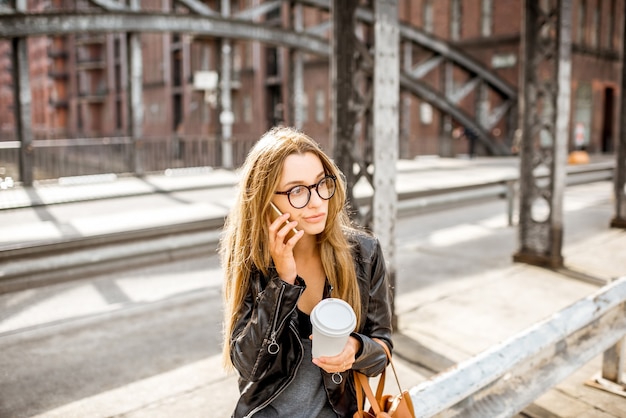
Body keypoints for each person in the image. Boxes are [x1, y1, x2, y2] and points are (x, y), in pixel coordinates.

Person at [220, 126, 393, 418]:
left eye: (321, 183)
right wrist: (283, 282)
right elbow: (249, 366)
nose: (316, 201)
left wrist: (356, 348)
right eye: (297, 190)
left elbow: (382, 349)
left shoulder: (364, 254)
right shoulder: (254, 263)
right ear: (266, 203)